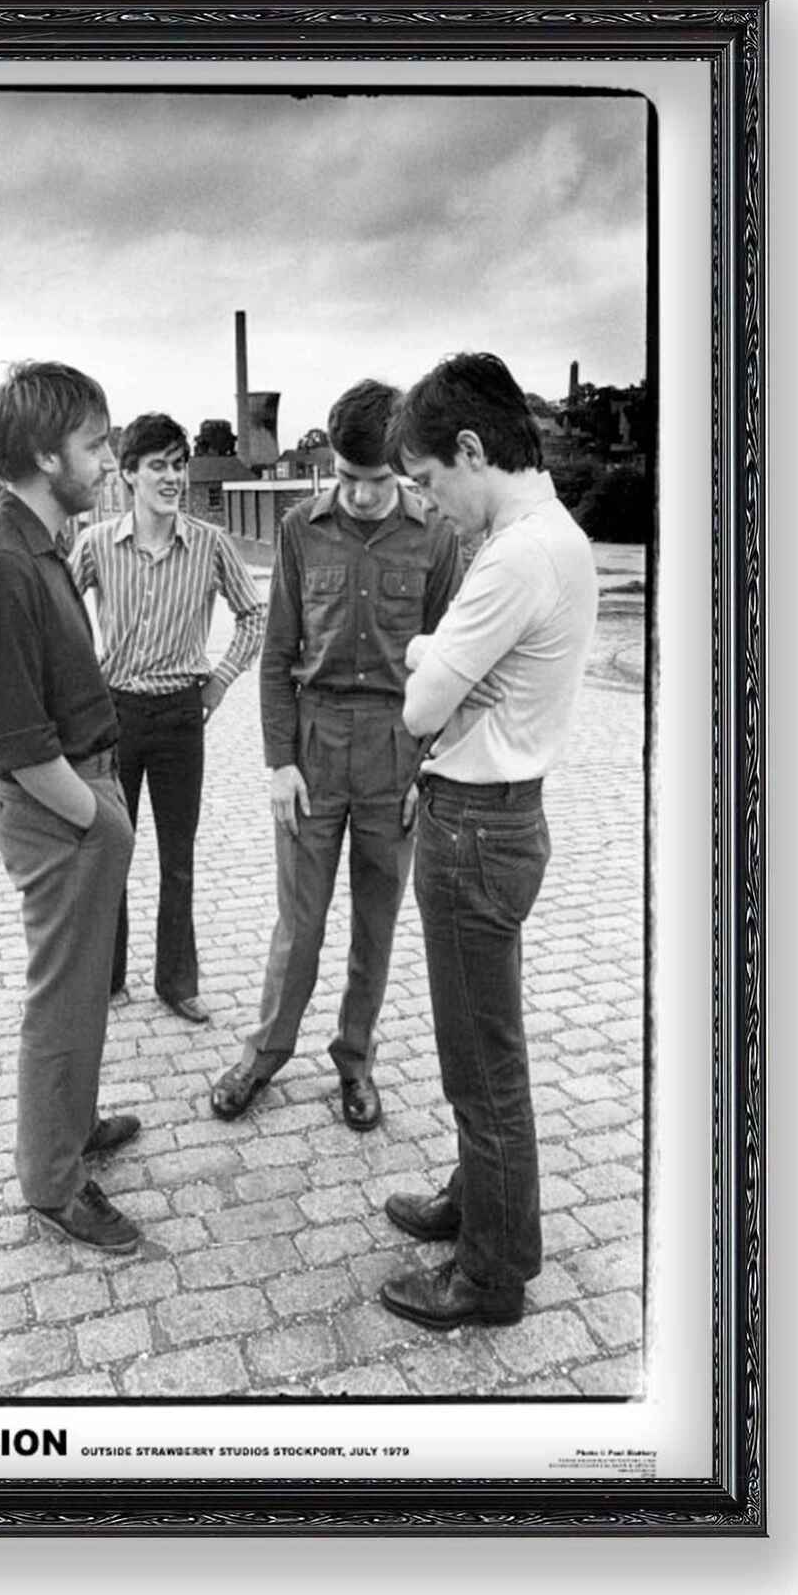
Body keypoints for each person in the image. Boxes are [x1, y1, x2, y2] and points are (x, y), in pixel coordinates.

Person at [378, 351, 599, 1329]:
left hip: (474, 827)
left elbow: (420, 704)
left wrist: (425, 650)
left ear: (471, 449)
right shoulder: (552, 537)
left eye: (429, 480)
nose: (430, 504)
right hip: (499, 817)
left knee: (482, 1064)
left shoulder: (515, 555)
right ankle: (475, 1199)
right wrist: (445, 658)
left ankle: (490, 1273)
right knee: (480, 1047)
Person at [210, 379, 463, 1132]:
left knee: (375, 924)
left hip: (396, 747)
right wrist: (279, 763)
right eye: (347, 477)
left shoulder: (436, 536)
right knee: (299, 923)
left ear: (402, 469)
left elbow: (447, 665)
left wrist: (427, 767)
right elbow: (276, 653)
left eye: (376, 479)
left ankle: (355, 1060)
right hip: (314, 749)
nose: (359, 494)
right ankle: (264, 1054)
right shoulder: (299, 529)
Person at [0, 361, 142, 1256]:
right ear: (43, 454)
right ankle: (54, 1181)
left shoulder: (41, 543)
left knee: (82, 992)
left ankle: (71, 1122)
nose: (107, 461)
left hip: (81, 794)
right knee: (62, 1003)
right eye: (94, 445)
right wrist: (97, 818)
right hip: (59, 808)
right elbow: (18, 740)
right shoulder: (0, 563)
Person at [69, 412, 265, 1024]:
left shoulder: (209, 544)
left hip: (182, 715)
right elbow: (58, 614)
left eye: (179, 465)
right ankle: (106, 977)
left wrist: (221, 680)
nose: (172, 477)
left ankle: (177, 982)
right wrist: (81, 689)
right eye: (158, 466)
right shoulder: (96, 544)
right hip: (115, 715)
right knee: (111, 851)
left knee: (178, 857)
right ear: (128, 474)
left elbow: (254, 615)